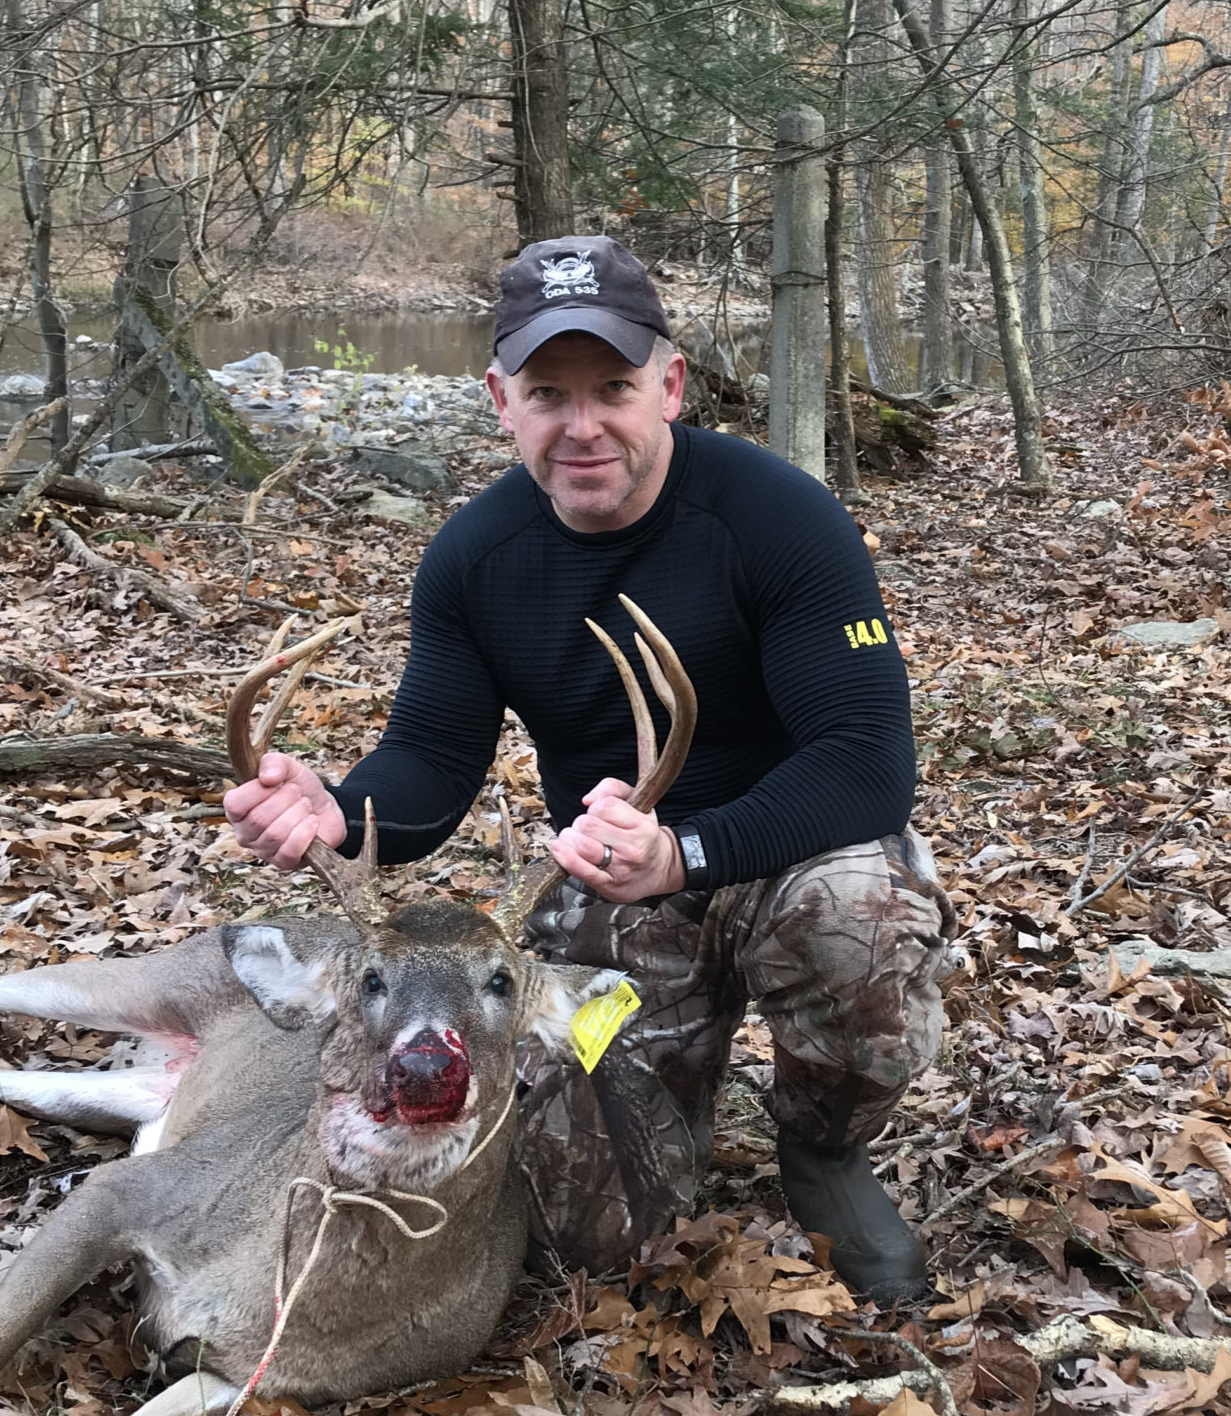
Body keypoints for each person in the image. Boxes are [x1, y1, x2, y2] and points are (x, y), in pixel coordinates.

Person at [222, 234, 952, 1302]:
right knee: (595, 1240)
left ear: (669, 383)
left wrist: (690, 847)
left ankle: (824, 1149)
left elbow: (870, 763)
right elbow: (432, 758)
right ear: (499, 400)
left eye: (612, 386)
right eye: (547, 393)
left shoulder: (780, 519)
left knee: (857, 912)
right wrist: (337, 807)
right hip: (613, 893)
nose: (583, 425)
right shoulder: (477, 558)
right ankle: (677, 1115)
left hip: (792, 852)